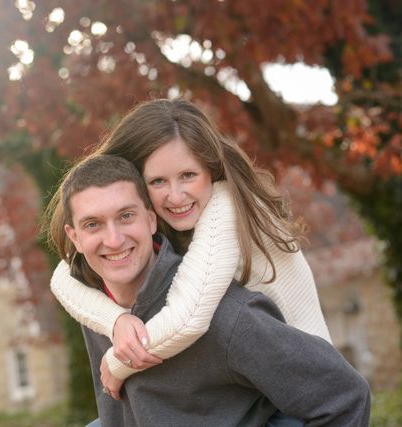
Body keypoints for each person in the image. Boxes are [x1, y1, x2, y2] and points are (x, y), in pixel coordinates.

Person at [45, 154, 370, 426]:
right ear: (74, 238)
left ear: (151, 219)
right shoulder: (95, 303)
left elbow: (345, 396)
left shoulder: (229, 316)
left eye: (126, 216)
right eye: (93, 225)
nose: (113, 240)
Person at [50, 99, 331, 398]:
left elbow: (188, 316)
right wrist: (115, 320)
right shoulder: (164, 217)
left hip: (300, 386)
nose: (175, 196)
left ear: (211, 169)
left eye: (188, 175)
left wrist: (118, 362)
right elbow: (62, 277)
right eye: (158, 181)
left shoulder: (226, 206)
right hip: (252, 384)